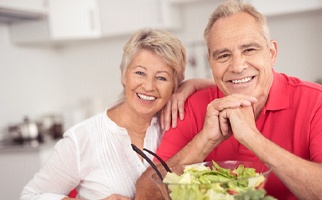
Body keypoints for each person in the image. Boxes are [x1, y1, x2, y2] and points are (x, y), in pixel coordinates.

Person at [135, 1, 322, 199]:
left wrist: (253, 139)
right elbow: (145, 196)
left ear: (271, 53)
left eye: (249, 49)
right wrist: (206, 139)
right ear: (211, 63)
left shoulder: (319, 102)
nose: (237, 66)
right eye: (223, 55)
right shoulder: (192, 106)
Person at [20, 28, 214, 200]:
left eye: (161, 77)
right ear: (123, 74)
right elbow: (30, 196)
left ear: (175, 85)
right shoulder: (81, 139)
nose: (148, 86)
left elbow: (231, 86)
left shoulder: (176, 122)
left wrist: (192, 84)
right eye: (139, 73)